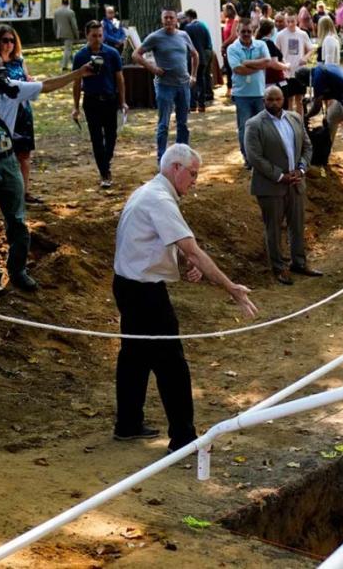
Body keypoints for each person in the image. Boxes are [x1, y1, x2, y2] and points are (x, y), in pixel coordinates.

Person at [112, 143, 257, 453]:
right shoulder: (160, 199)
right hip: (143, 291)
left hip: (127, 284)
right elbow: (193, 250)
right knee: (171, 365)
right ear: (175, 168)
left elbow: (154, 241)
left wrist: (183, 261)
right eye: (192, 174)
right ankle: (183, 438)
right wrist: (231, 288)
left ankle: (128, 423)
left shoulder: (149, 191)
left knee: (134, 356)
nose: (195, 181)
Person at [0, 51, 92, 294]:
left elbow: (46, 85)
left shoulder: (12, 89)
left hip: (8, 160)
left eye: (2, 71)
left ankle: (18, 271)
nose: (0, 77)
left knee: (17, 220)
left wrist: (79, 73)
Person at [245, 86, 323, 284]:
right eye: (270, 100)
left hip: (296, 183)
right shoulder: (254, 124)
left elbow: (307, 146)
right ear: (263, 101)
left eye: (277, 99)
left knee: (297, 225)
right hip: (270, 186)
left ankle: (299, 263)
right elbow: (254, 157)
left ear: (284, 100)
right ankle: (278, 267)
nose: (274, 103)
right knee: (273, 228)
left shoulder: (295, 118)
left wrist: (301, 169)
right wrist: (280, 176)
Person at [0, 24, 41, 204]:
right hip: (4, 114)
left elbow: (26, 79)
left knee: (24, 154)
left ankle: (24, 192)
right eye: (5, 40)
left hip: (23, 112)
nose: (9, 44)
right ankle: (4, 194)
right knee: (4, 155)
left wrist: (31, 81)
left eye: (12, 40)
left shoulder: (19, 61)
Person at [133, 8, 198, 162]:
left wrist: (193, 75)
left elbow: (194, 54)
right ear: (162, 20)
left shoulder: (183, 35)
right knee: (164, 124)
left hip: (183, 84)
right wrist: (153, 68)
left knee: (183, 123)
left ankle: (182, 157)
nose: (168, 20)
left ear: (176, 20)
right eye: (166, 18)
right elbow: (136, 54)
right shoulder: (155, 37)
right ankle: (162, 159)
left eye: (171, 18)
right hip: (165, 86)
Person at [72, 20, 127, 188]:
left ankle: (106, 161)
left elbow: (119, 78)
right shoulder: (80, 56)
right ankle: (104, 172)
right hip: (91, 101)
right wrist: (75, 107)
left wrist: (122, 101)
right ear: (87, 35)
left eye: (100, 35)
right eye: (94, 36)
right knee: (96, 138)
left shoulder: (112, 53)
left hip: (110, 100)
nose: (97, 39)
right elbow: (76, 82)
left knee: (111, 136)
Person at [229, 17, 287, 168]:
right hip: (241, 95)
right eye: (243, 31)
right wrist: (258, 65)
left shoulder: (261, 44)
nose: (246, 34)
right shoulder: (232, 48)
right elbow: (238, 69)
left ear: (253, 31)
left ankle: (261, 156)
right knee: (245, 128)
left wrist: (247, 63)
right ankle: (248, 158)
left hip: (260, 93)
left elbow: (267, 62)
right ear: (237, 31)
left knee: (263, 127)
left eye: (249, 31)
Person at [276, 10, 316, 112]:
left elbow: (311, 49)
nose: (290, 24)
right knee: (289, 100)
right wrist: (283, 63)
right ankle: (290, 121)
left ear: (297, 20)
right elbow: (277, 52)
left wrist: (305, 58)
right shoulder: (280, 35)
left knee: (300, 100)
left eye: (292, 21)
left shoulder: (302, 34)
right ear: (285, 21)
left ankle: (300, 121)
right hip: (287, 73)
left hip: (299, 72)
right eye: (288, 21)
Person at [182, 9, 214, 112]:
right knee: (201, 79)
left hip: (192, 58)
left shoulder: (188, 28)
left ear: (189, 17)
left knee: (191, 79)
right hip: (203, 56)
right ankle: (201, 104)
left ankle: (192, 104)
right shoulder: (203, 26)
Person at [53, 0, 79, 71]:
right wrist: (77, 34)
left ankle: (74, 63)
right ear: (68, 3)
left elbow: (54, 24)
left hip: (60, 33)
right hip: (69, 33)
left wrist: (56, 33)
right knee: (68, 49)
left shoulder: (56, 12)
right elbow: (74, 25)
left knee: (69, 48)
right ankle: (64, 66)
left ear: (62, 3)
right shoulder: (70, 12)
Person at [219, 3, 238, 98]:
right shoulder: (227, 21)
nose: (223, 12)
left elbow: (233, 36)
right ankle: (229, 89)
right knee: (228, 69)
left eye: (224, 10)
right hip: (227, 48)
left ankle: (235, 89)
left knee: (233, 68)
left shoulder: (236, 21)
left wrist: (224, 44)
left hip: (233, 48)